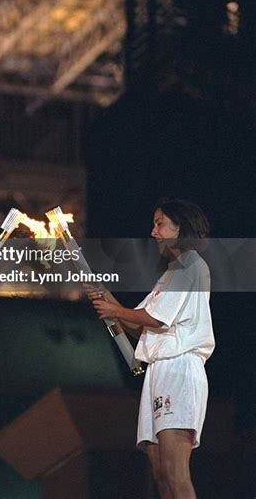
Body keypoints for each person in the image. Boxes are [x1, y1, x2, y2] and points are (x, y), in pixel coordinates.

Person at [91, 198, 214, 499]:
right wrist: (107, 299)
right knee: (160, 474)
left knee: (175, 472)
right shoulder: (169, 275)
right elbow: (140, 327)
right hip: (158, 372)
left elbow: (155, 319)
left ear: (179, 227)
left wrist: (115, 310)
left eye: (160, 224)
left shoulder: (191, 264)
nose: (154, 232)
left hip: (179, 368)